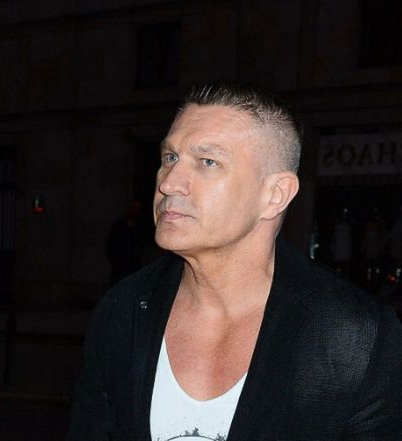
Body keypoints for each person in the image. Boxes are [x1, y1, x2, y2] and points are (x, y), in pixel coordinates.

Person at [67, 82, 402, 440]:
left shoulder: (357, 338)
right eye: (170, 158)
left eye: (208, 162)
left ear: (275, 195)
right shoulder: (123, 310)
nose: (169, 183)